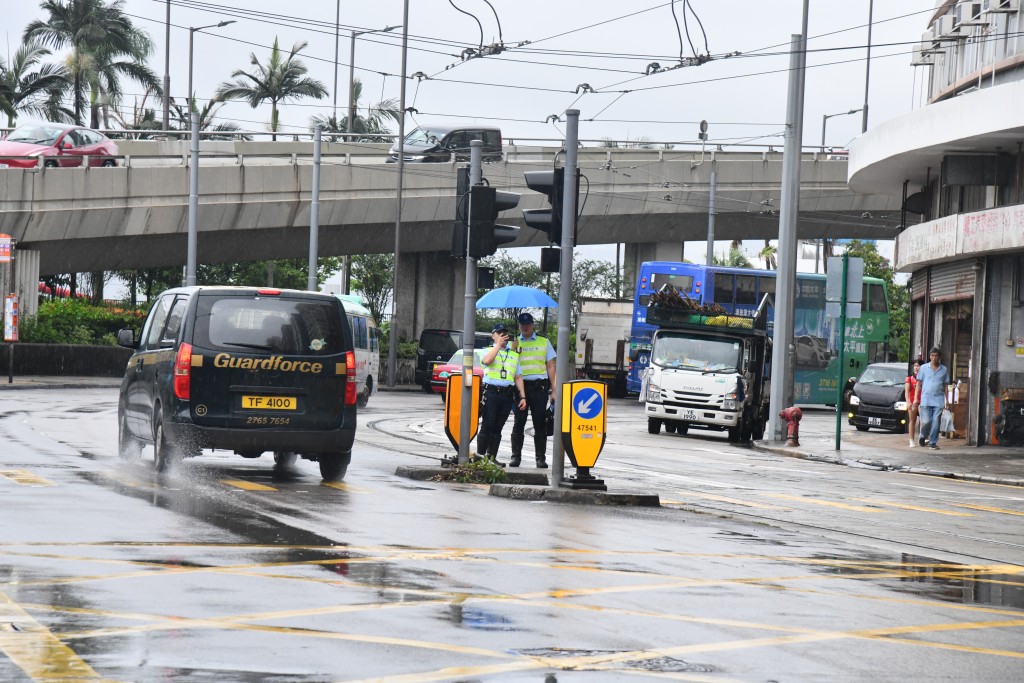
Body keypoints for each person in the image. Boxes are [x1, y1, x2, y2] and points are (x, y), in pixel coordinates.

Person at [508, 312, 557, 469]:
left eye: (528, 324)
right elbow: (510, 366)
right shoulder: (513, 344)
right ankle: (515, 457)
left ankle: (540, 459)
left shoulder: (544, 342)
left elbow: (550, 366)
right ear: (519, 326)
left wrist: (554, 390)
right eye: (522, 324)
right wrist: (512, 351)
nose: (525, 327)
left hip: (539, 388)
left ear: (532, 325)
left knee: (540, 423)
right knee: (519, 422)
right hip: (520, 389)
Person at [476, 323, 527, 466]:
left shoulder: (513, 354)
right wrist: (498, 345)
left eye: (505, 334)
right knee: (488, 423)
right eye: (500, 334)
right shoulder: (487, 350)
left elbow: (518, 376)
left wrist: (522, 396)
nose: (503, 336)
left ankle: (491, 457)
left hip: (507, 394)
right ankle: (480, 456)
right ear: (494, 336)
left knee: (499, 426)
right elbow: (486, 361)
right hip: (491, 392)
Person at [915, 347, 949, 450]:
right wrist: (916, 398)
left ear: (939, 357)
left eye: (936, 356)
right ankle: (922, 436)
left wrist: (947, 400)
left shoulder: (944, 370)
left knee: (936, 422)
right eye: (932, 356)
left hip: (938, 399)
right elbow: (918, 383)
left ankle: (933, 442)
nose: (934, 358)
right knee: (926, 421)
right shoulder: (924, 368)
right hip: (925, 398)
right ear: (930, 357)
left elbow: (946, 386)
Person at [905, 359, 922, 448]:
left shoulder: (924, 377)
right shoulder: (909, 377)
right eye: (915, 365)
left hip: (922, 401)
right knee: (912, 421)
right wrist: (908, 402)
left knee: (923, 420)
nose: (916, 367)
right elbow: (907, 391)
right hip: (912, 402)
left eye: (918, 365)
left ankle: (922, 437)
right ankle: (911, 440)